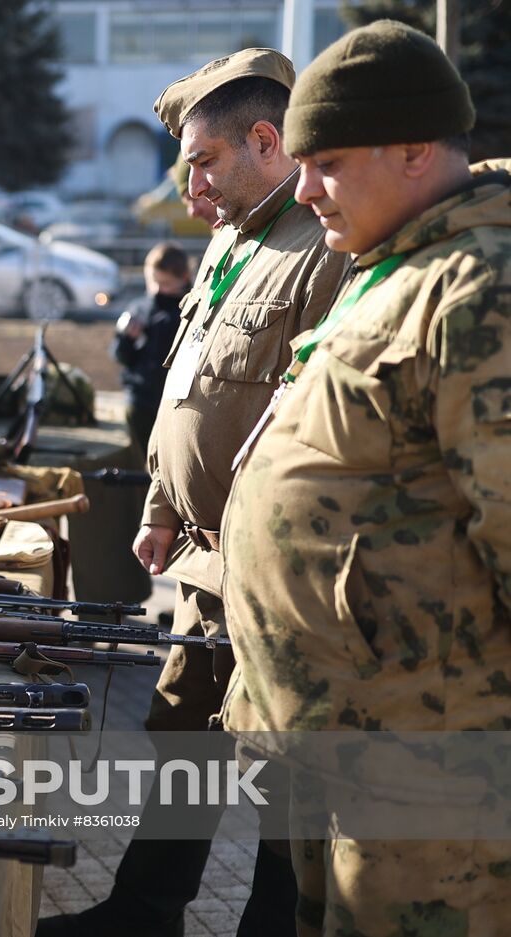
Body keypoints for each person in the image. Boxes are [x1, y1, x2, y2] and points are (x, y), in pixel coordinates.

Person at [38, 48, 347, 937]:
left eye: (205, 161)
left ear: (266, 141)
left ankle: (272, 924)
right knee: (182, 735)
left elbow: (305, 418)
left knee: (282, 763)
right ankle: (145, 911)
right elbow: (191, 389)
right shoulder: (231, 241)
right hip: (204, 559)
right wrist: (160, 507)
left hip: (272, 567)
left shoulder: (319, 245)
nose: (192, 186)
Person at [222, 21, 511, 934]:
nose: (305, 189)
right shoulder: (392, 265)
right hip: (354, 751)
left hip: (435, 781)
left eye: (328, 164)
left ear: (416, 150)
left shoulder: (481, 288)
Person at [110, 241, 191, 453]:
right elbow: (120, 356)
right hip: (140, 400)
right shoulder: (140, 307)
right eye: (152, 282)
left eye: (165, 284)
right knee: (143, 452)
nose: (156, 290)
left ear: (183, 278)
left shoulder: (189, 310)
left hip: (174, 400)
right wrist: (127, 339)